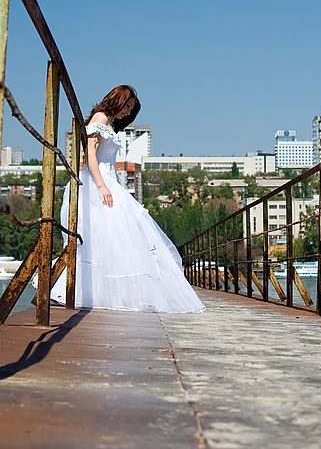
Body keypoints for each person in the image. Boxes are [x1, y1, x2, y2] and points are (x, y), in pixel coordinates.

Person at [34, 85, 205, 313]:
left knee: (113, 241)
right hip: (96, 184)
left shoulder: (110, 123)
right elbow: (90, 157)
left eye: (131, 109)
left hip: (109, 182)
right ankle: (71, 288)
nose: (128, 112)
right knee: (102, 240)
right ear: (118, 100)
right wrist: (102, 186)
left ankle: (103, 292)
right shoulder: (99, 118)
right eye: (127, 106)